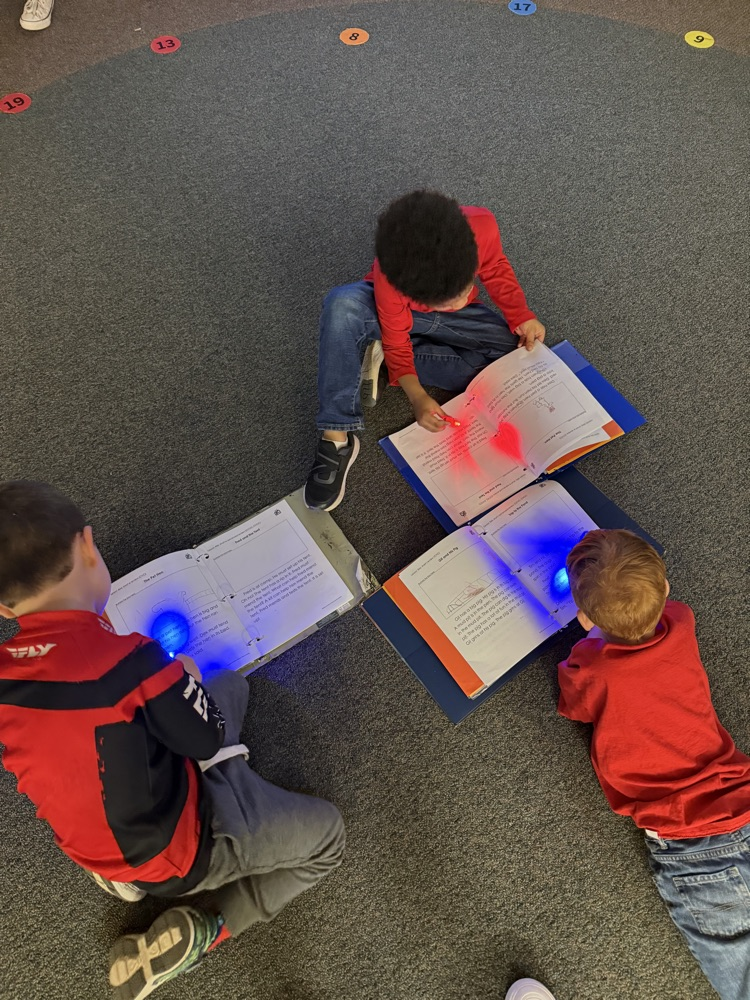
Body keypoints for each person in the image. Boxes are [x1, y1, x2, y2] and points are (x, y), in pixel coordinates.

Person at [0, 481, 346, 999]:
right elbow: (204, 739)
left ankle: (122, 878)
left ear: (6, 612)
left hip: (94, 839)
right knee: (327, 838)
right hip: (181, 848)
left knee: (230, 684)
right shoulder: (132, 661)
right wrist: (178, 673)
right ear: (89, 547)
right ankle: (210, 928)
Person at [558, 529, 750, 1000]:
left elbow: (574, 707)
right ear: (666, 591)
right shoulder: (681, 620)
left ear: (583, 617)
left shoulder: (591, 664)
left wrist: (586, 649)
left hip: (692, 844)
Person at [304, 190, 545, 512]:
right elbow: (395, 333)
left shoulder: (482, 225)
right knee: (342, 304)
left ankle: (371, 354)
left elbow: (496, 268)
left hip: (422, 319)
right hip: (388, 313)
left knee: (513, 358)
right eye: (447, 301)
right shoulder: (392, 279)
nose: (459, 302)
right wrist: (416, 395)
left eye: (461, 290)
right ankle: (336, 437)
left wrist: (521, 314)